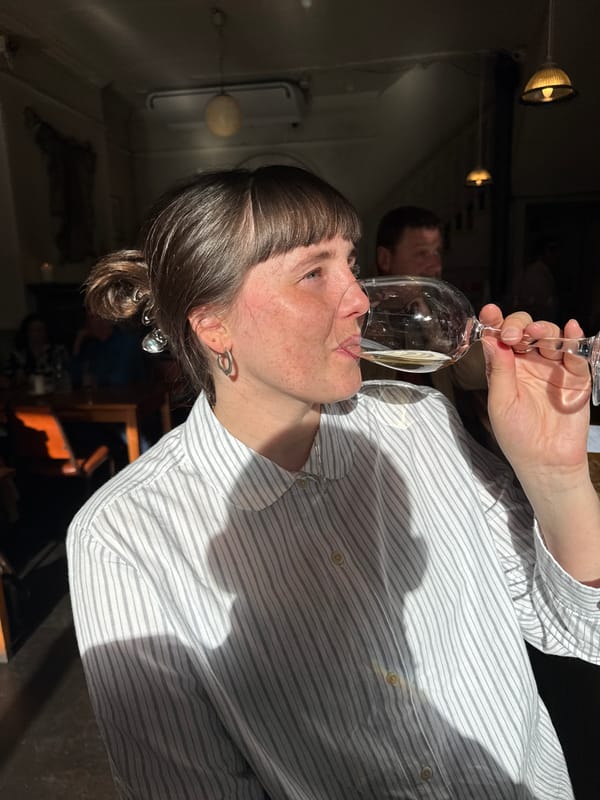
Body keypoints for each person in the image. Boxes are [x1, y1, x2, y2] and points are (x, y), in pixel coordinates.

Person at [67, 166, 600, 800]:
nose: (359, 298)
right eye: (315, 272)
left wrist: (554, 473)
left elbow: (573, 629)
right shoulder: (123, 536)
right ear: (213, 325)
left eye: (350, 262)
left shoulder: (420, 421)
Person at [370, 205, 493, 451]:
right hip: (380, 446)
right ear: (385, 259)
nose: (435, 265)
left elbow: (476, 374)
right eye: (421, 254)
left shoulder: (445, 310)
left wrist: (431, 321)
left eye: (437, 252)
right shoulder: (360, 316)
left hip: (441, 443)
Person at [70, 311, 146, 388]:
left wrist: (95, 380)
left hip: (132, 397)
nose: (89, 323)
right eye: (90, 318)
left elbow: (119, 379)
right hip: (102, 397)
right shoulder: (92, 346)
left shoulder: (127, 340)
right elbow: (75, 378)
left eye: (95, 317)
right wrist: (77, 345)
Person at [3, 313, 69, 390]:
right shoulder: (17, 355)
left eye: (40, 330)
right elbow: (8, 377)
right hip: (25, 395)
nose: (37, 334)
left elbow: (65, 374)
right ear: (26, 332)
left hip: (54, 392)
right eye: (33, 330)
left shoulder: (58, 350)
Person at [513, 236, 560, 323]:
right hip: (534, 321)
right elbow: (533, 301)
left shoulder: (544, 271)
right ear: (546, 252)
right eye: (553, 251)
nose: (557, 256)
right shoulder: (536, 271)